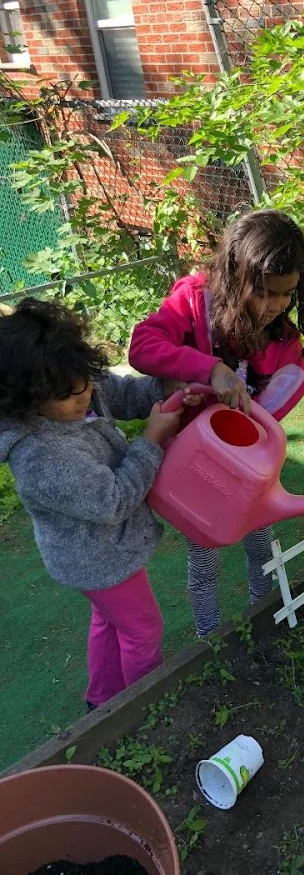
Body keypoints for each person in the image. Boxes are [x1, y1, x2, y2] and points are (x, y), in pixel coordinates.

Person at [130, 208, 304, 637]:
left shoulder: (283, 337)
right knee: (205, 553)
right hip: (199, 468)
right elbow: (143, 345)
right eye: (266, 293)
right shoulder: (195, 299)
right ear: (235, 276)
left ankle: (263, 615)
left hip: (249, 470)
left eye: (287, 294)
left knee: (260, 541)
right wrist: (209, 368)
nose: (276, 306)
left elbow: (279, 394)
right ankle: (208, 639)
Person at [0, 299, 186, 708]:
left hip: (101, 551)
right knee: (143, 630)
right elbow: (113, 499)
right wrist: (151, 440)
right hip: (97, 557)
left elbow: (119, 391)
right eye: (68, 395)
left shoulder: (73, 383)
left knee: (110, 621)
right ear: (28, 401)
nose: (84, 394)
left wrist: (163, 388)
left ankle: (102, 702)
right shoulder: (40, 455)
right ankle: (144, 710)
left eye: (84, 379)